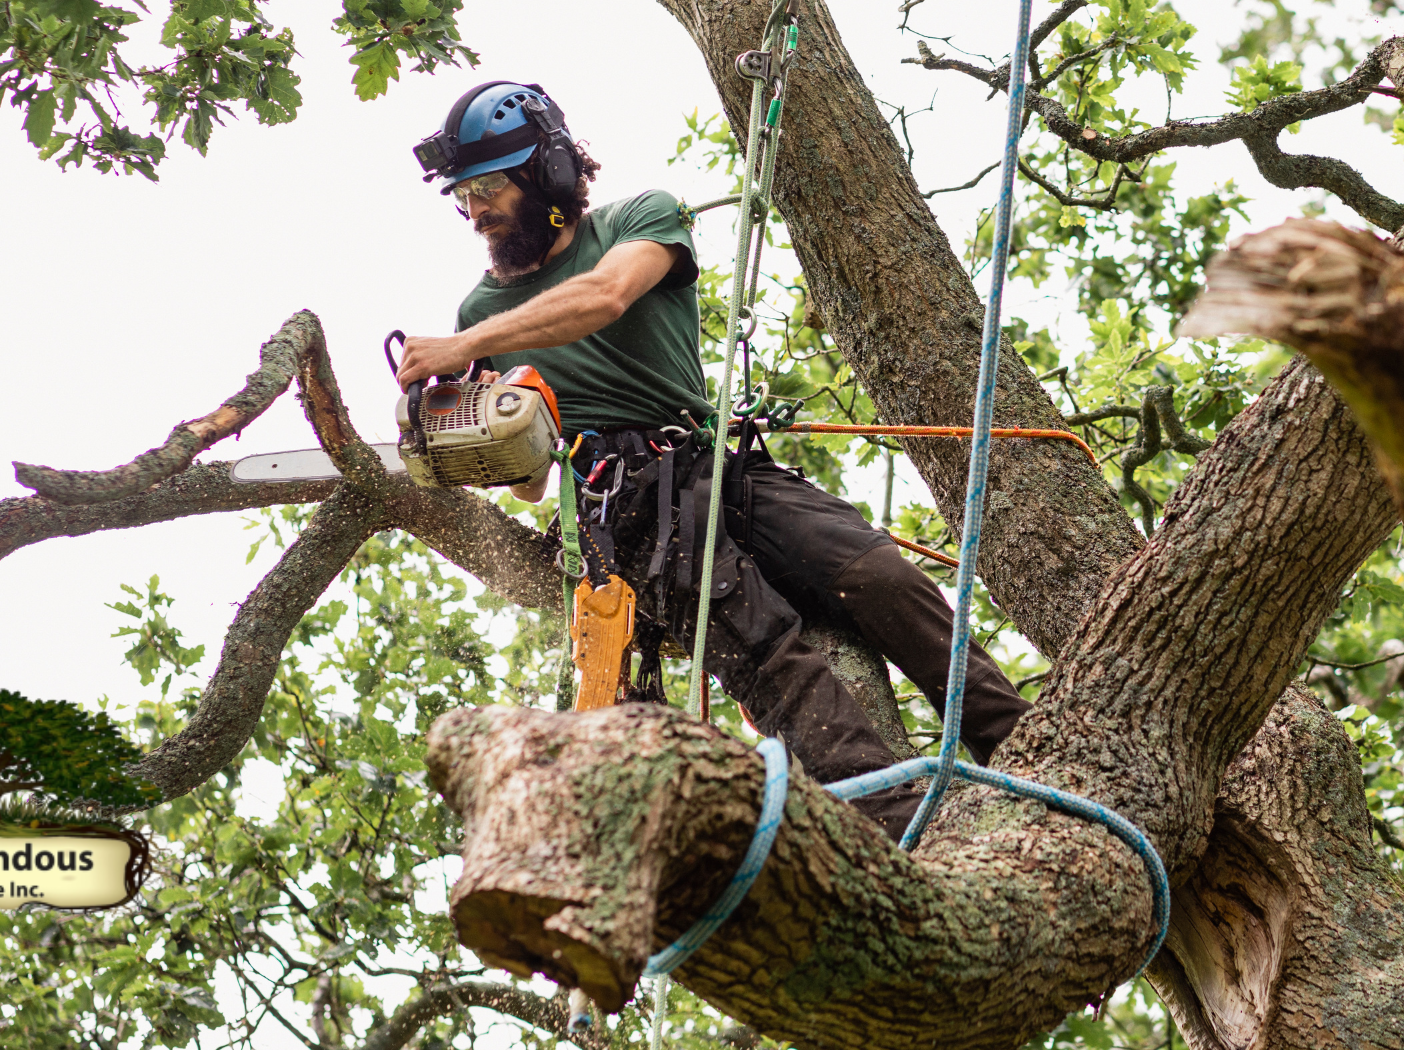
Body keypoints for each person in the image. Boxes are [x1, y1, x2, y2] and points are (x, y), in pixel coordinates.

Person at [395, 80, 1031, 839]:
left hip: (713, 463)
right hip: (626, 503)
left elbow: (604, 297)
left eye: (490, 187)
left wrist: (467, 347)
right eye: (464, 196)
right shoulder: (481, 313)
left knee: (878, 574)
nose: (477, 212)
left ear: (552, 174)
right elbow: (533, 484)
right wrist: (474, 431)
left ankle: (1027, 752)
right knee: (768, 650)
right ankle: (904, 834)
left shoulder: (641, 219)